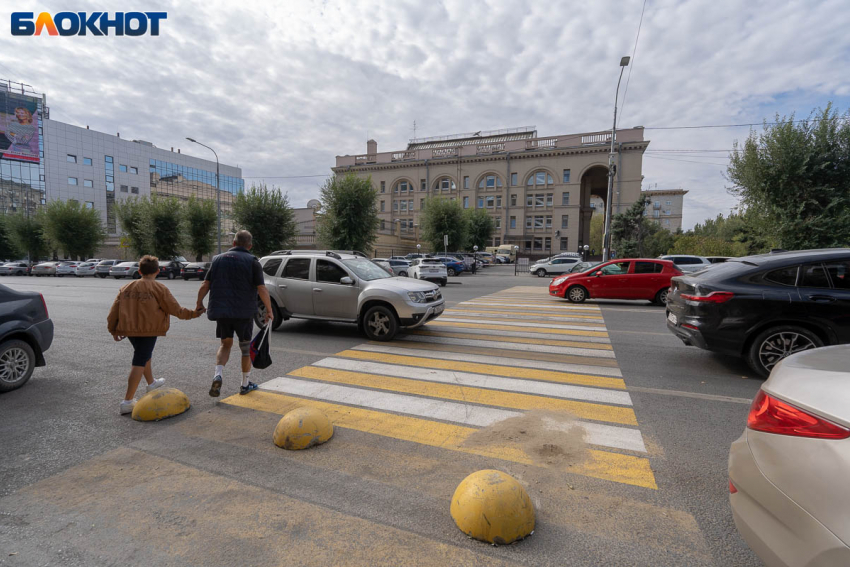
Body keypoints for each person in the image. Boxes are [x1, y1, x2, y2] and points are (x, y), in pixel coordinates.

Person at [107, 255, 203, 415]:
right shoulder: (159, 288)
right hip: (149, 330)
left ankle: (151, 383)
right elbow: (176, 310)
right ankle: (127, 401)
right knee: (139, 360)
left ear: (139, 271)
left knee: (144, 355)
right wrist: (194, 314)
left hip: (130, 330)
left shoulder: (126, 287)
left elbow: (114, 311)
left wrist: (113, 330)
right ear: (158, 271)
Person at [196, 230, 273, 397]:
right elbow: (262, 289)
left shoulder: (217, 260)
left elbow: (205, 284)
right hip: (243, 313)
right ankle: (245, 384)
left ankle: (218, 374)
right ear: (250, 246)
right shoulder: (253, 261)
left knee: (225, 344)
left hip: (222, 311)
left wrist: (199, 303)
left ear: (233, 243)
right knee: (245, 349)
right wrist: (269, 310)